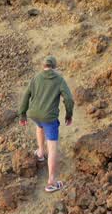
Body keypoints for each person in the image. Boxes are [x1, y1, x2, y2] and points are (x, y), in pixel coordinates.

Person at [18, 54, 74, 193]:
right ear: (55, 68)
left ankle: (41, 153)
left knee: (39, 126)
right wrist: (69, 114)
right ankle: (51, 182)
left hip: (34, 114)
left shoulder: (36, 78)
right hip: (49, 117)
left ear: (43, 67)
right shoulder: (59, 80)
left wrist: (22, 114)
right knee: (53, 146)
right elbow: (68, 99)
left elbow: (26, 95)